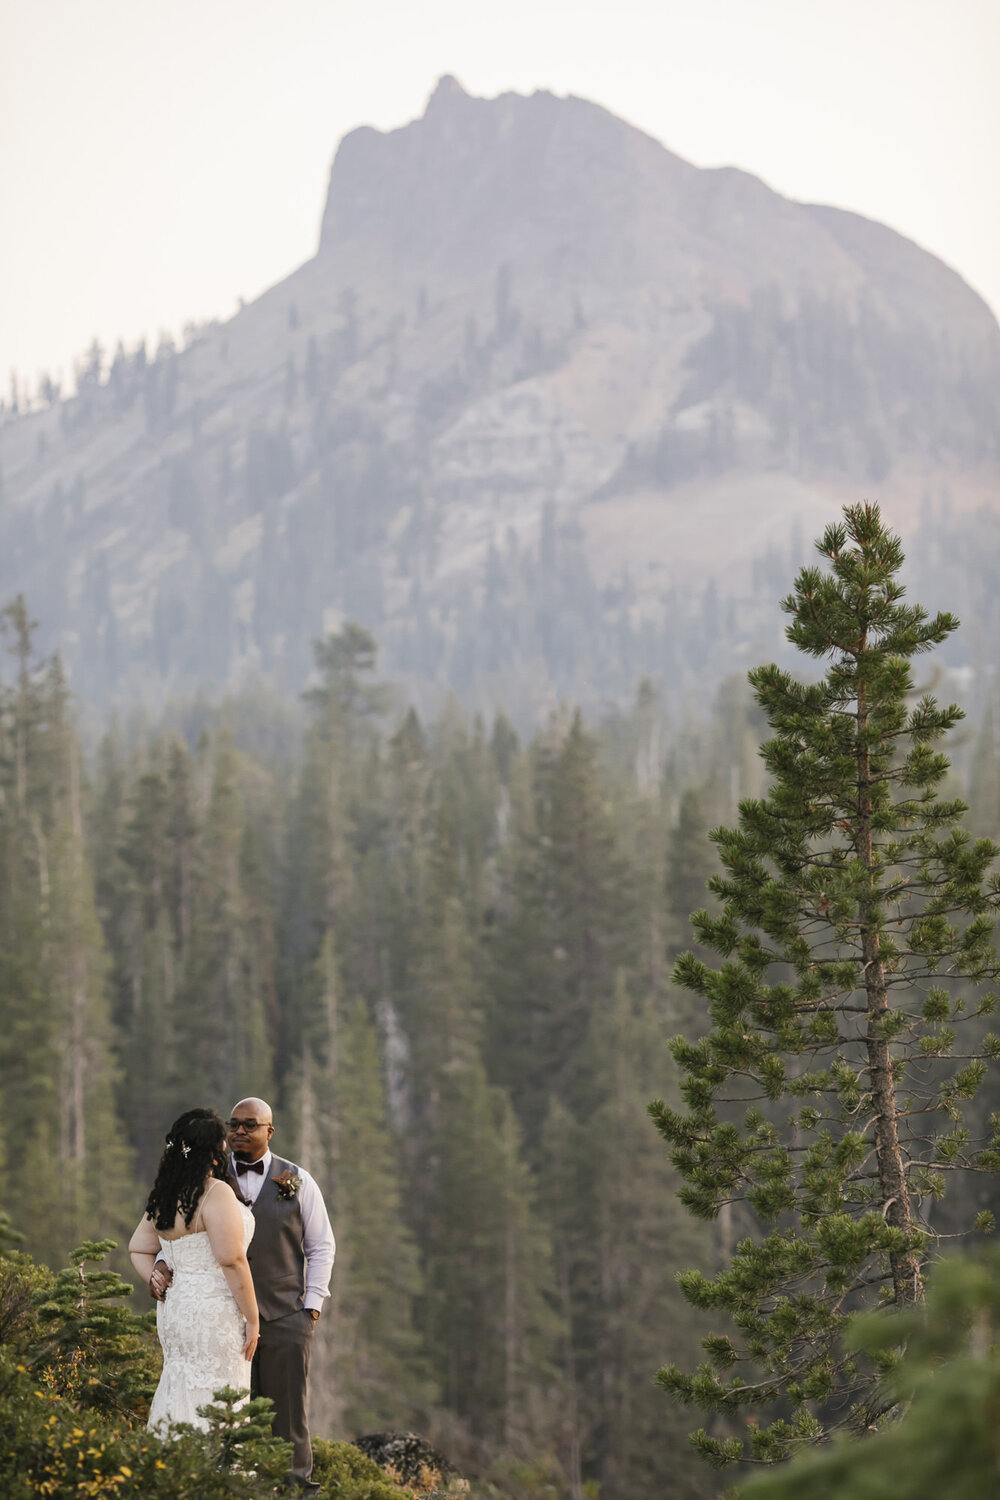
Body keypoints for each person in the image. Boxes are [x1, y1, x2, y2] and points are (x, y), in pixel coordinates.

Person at [149, 1096, 335, 1492]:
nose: (239, 1131)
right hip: (221, 1320)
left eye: (250, 1124)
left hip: (285, 1314)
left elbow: (321, 1246)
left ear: (270, 1130)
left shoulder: (297, 1180)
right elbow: (173, 1230)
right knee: (229, 1405)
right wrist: (163, 1263)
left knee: (287, 1411)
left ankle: (294, 1487)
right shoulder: (205, 1178)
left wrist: (311, 1309)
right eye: (233, 1124)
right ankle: (240, 1486)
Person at [129, 1108, 258, 1435]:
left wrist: (154, 1276)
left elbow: (138, 1247)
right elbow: (232, 1260)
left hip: (175, 1309)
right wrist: (254, 1318)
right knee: (220, 1393)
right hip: (214, 1312)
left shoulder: (166, 1195)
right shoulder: (215, 1192)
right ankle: (214, 1477)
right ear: (213, 1150)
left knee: (180, 1383)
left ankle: (171, 1468)